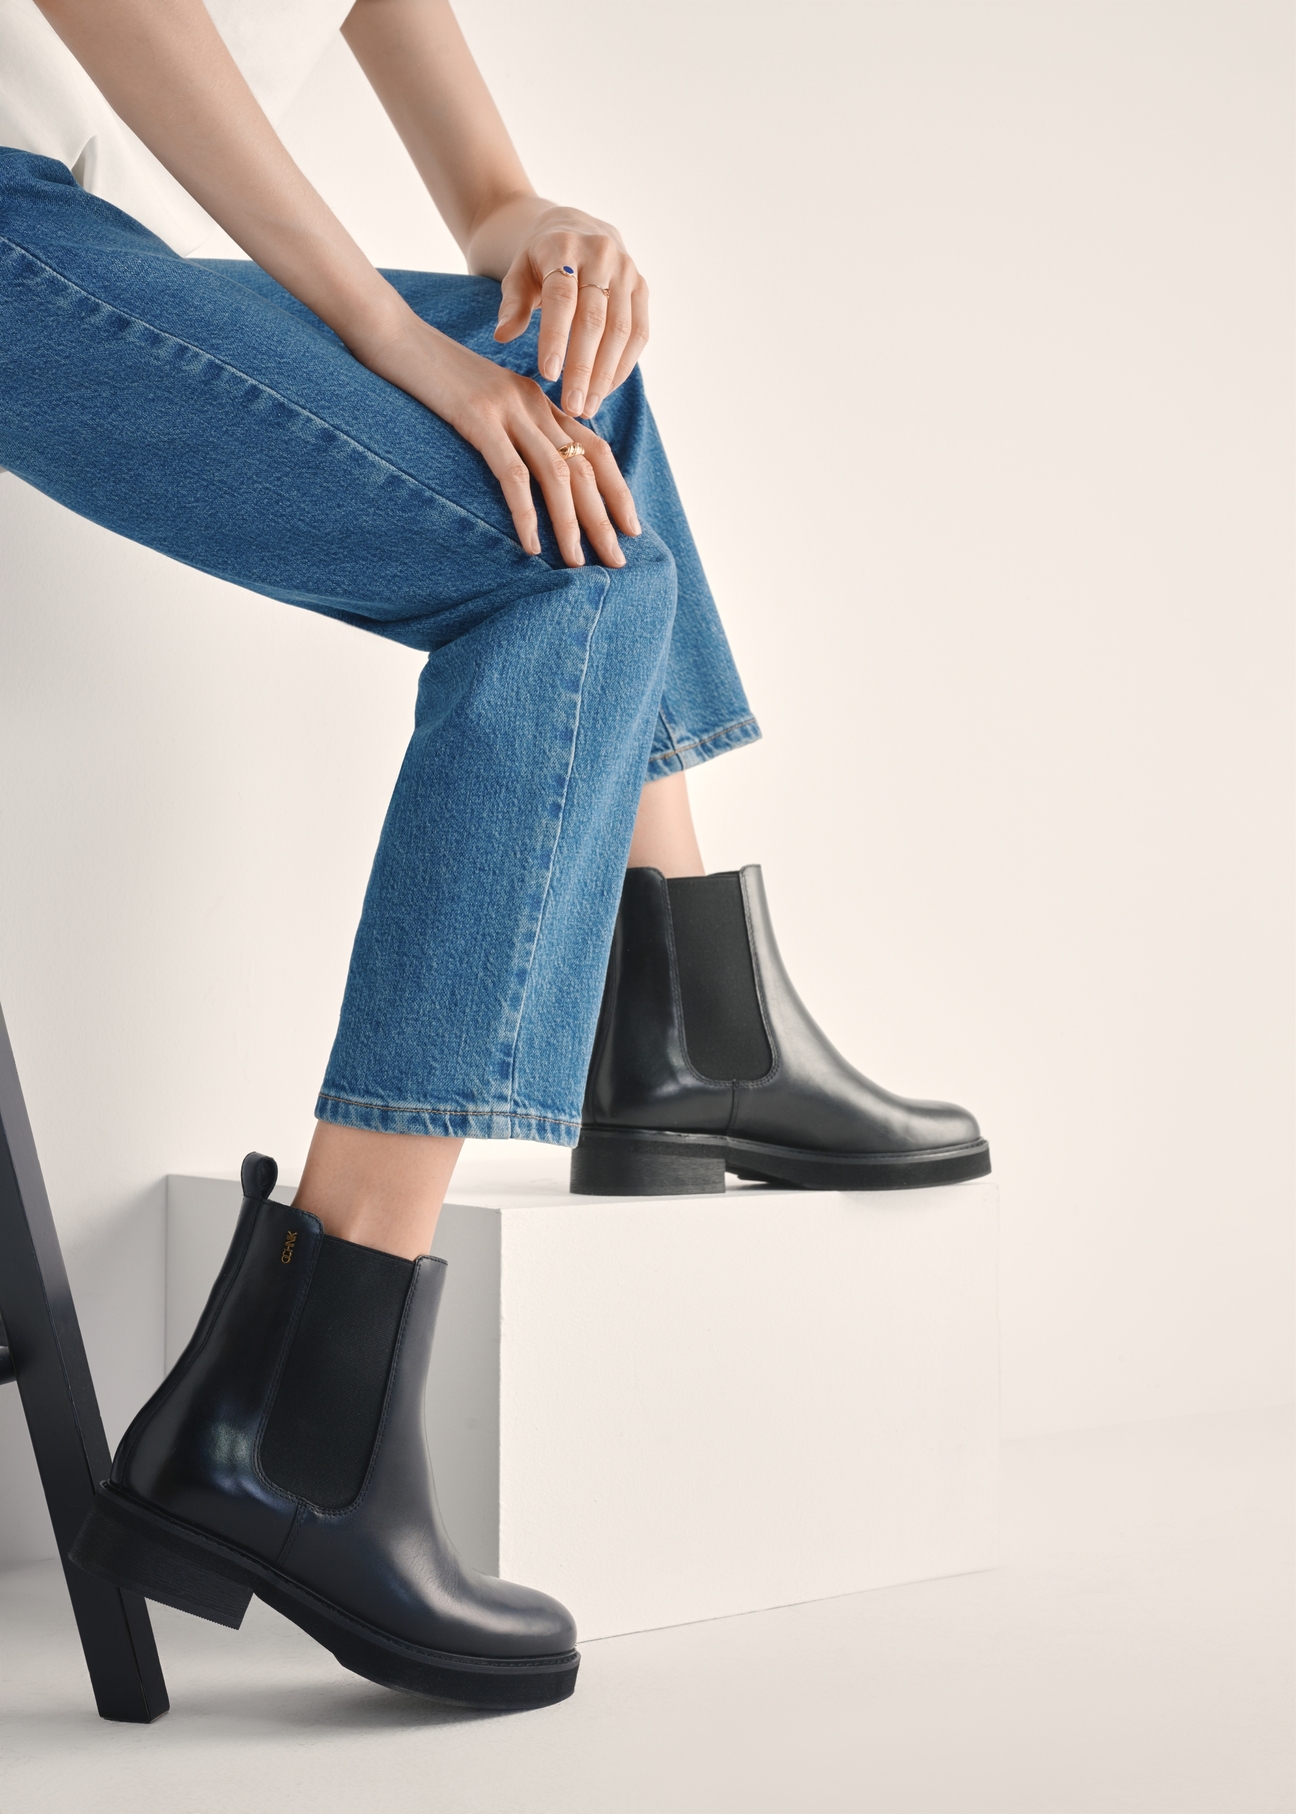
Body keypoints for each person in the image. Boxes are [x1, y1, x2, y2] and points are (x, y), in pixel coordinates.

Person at [1, 0, 988, 1711]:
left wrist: (516, 219)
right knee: (563, 574)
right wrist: (389, 330)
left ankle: (684, 1027)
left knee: (572, 376)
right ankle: (290, 1424)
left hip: (66, 229)